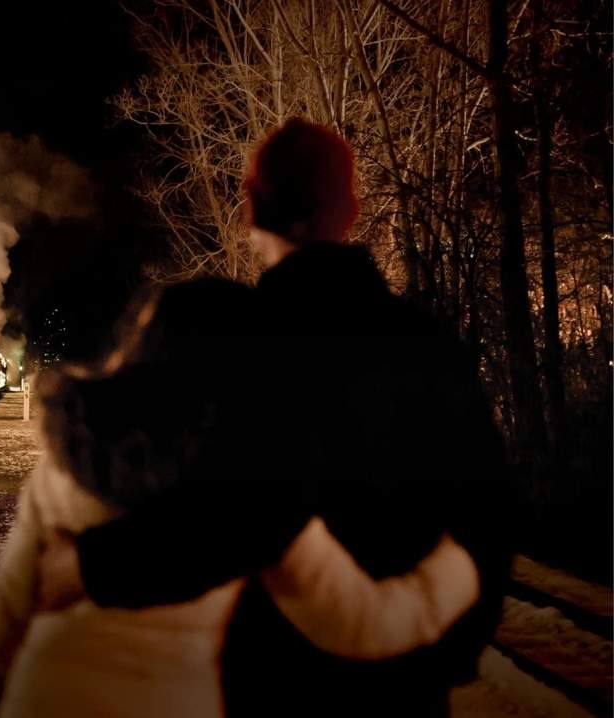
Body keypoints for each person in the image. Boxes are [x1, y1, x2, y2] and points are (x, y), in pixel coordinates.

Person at [37, 119, 512, 716]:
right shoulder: (429, 342)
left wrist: (88, 566)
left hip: (281, 678)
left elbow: (239, 509)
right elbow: (489, 507)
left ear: (250, 211)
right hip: (410, 686)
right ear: (351, 212)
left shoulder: (244, 338)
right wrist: (445, 649)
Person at [0, 279, 486, 718]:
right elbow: (361, 622)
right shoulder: (253, 494)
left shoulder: (70, 463)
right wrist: (460, 564)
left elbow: (6, 624)